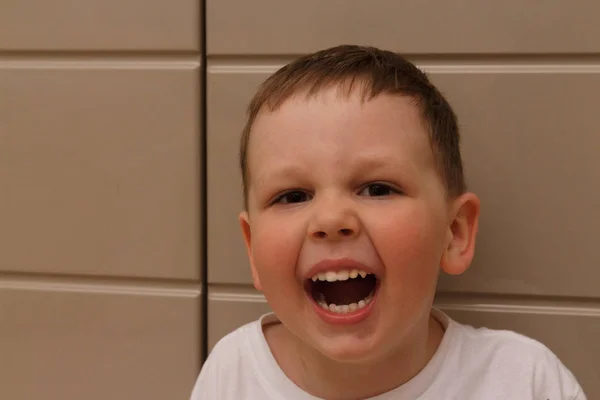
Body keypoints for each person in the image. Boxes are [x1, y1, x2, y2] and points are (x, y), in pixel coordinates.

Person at [190, 45, 587, 399]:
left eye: (377, 189)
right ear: (252, 249)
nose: (330, 220)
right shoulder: (232, 374)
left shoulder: (524, 382)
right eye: (292, 196)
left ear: (455, 233)